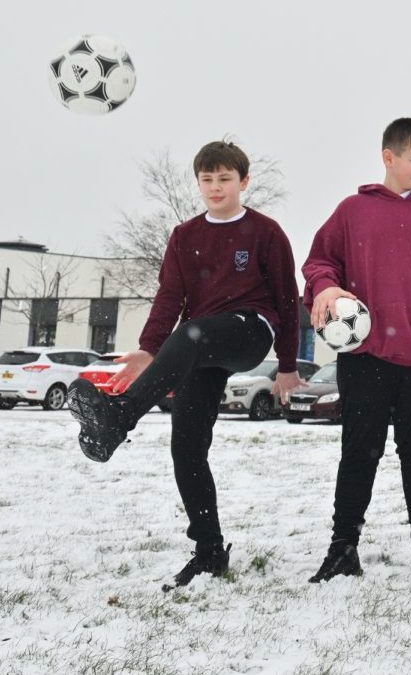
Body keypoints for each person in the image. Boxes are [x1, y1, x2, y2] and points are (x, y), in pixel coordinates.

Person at [67, 139, 303, 589]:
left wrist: (288, 363)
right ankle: (209, 551)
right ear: (198, 182)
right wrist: (149, 346)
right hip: (199, 344)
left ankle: (118, 418)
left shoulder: (265, 232)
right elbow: (170, 296)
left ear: (244, 181)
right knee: (187, 446)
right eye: (207, 179)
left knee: (193, 332)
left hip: (250, 329)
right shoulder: (185, 236)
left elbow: (289, 301)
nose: (215, 187)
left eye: (225, 179)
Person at [302, 117, 411, 582]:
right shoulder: (352, 211)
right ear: (389, 157)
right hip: (366, 356)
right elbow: (320, 262)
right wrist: (324, 288)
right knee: (359, 450)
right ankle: (342, 549)